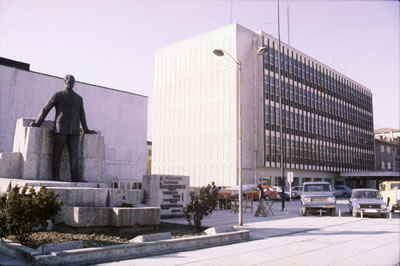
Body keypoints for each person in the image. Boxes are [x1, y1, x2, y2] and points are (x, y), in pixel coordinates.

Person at [29, 74, 96, 182]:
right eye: (70, 81)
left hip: (74, 130)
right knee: (57, 154)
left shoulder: (79, 99)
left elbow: (82, 115)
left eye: (73, 81)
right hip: (60, 128)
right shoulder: (58, 95)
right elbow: (46, 108)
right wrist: (37, 123)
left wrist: (86, 130)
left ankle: (76, 178)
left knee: (74, 155)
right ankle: (56, 176)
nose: (72, 83)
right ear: (65, 81)